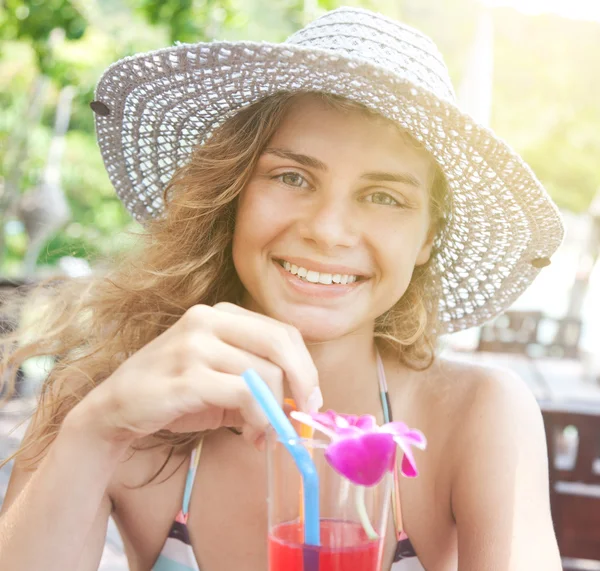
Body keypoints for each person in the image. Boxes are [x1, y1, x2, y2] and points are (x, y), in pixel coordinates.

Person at [0, 6, 564, 571]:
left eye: (384, 196)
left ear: (426, 238)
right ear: (234, 193)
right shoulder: (106, 402)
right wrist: (101, 429)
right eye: (292, 177)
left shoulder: (478, 416)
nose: (326, 230)